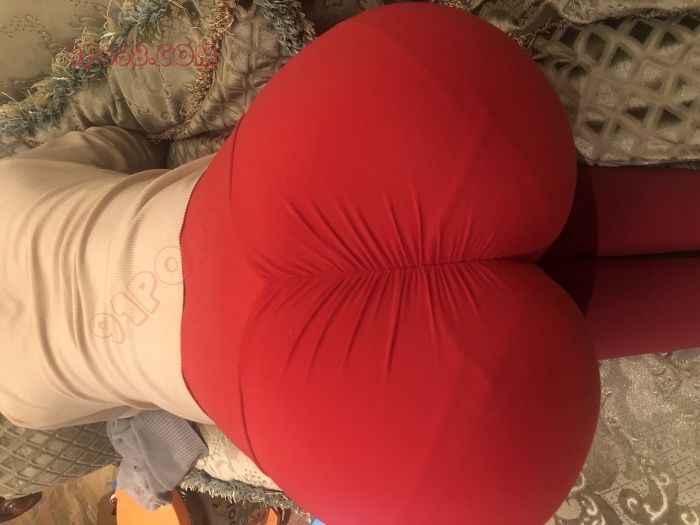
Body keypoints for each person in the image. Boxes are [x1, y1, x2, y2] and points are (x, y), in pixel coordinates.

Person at [0, 3, 698, 524]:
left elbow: (135, 403)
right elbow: (121, 146)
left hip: (276, 389)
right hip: (283, 183)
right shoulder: (6, 187)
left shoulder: (20, 401)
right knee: (489, 197)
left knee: (508, 358)